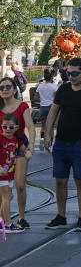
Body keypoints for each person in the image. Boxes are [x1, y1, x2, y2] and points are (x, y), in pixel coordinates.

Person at [42, 57, 81, 232]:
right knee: (60, 180)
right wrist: (47, 134)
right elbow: (53, 112)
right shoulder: (63, 89)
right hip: (61, 142)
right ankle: (61, 216)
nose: (71, 76)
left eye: (75, 73)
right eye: (68, 73)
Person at [0, 72, 35, 230]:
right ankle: (4, 220)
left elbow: (30, 127)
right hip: (1, 149)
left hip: (18, 147)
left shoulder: (22, 106)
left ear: (14, 90)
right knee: (3, 188)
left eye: (8, 87)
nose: (4, 89)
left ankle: (21, 217)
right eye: (1, 87)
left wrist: (31, 146)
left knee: (20, 185)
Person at [1, 113, 29, 233]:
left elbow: (24, 149)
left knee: (7, 197)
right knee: (6, 197)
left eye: (11, 127)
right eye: (5, 127)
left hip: (10, 174)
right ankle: (7, 224)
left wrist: (28, 152)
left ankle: (2, 221)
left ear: (16, 128)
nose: (8, 129)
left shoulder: (16, 139)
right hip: (1, 174)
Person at [37, 68, 58, 144]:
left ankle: (42, 140)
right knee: (51, 126)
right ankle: (50, 143)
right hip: (51, 107)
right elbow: (57, 98)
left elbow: (36, 97)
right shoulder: (54, 87)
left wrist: (42, 98)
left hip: (42, 107)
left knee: (43, 126)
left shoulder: (40, 86)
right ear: (52, 77)